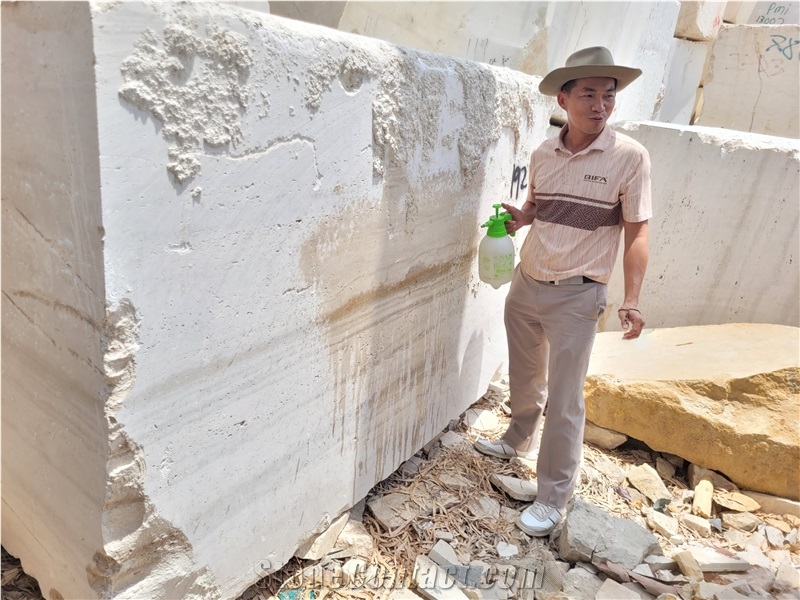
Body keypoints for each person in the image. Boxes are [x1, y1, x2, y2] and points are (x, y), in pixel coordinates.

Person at [474, 46, 652, 537]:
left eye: (608, 96)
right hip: (528, 281)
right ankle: (517, 437)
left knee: (567, 400)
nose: (600, 105)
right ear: (563, 97)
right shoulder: (543, 153)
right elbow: (539, 205)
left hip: (578, 294)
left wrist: (631, 298)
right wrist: (522, 217)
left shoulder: (629, 158)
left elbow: (637, 231)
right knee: (524, 371)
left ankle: (553, 497)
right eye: (589, 94)